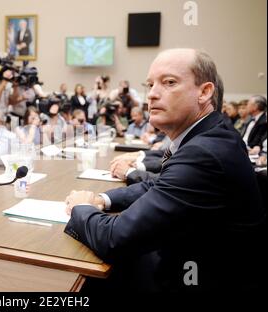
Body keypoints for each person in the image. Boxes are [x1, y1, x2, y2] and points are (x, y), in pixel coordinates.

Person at [64, 48, 264, 291]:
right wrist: (103, 199)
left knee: (85, 280)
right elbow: (160, 184)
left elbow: (115, 239)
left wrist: (81, 207)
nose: (152, 94)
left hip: (200, 276)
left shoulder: (205, 152)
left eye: (169, 82)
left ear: (204, 92)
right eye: (149, 84)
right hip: (195, 258)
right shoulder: (209, 133)